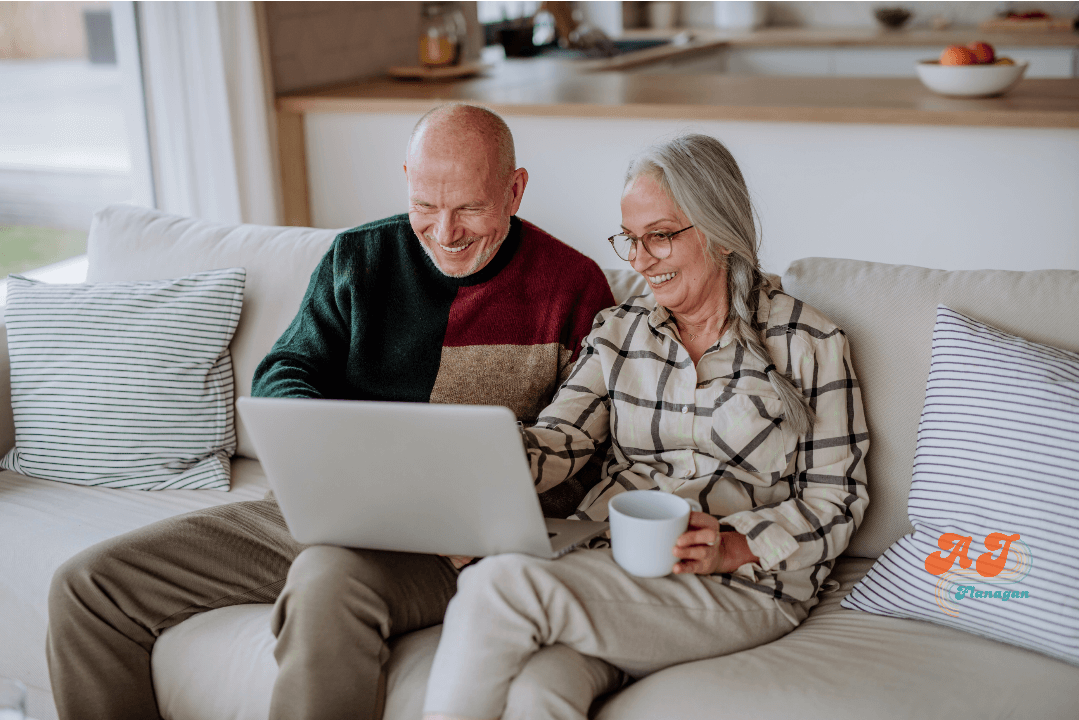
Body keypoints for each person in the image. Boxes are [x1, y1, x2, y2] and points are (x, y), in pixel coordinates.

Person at [45, 104, 616, 720]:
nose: (446, 232)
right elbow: (284, 372)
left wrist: (475, 520)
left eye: (470, 208)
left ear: (515, 189)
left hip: (458, 552)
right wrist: (325, 454)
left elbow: (583, 454)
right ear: (405, 178)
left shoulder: (575, 289)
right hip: (325, 511)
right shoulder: (359, 259)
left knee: (328, 581)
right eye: (425, 204)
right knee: (88, 586)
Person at [421, 134, 871, 720]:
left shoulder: (810, 343)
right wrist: (469, 464)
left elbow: (840, 497)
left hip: (743, 585)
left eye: (658, 236)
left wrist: (732, 547)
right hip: (617, 566)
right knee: (539, 691)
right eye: (629, 240)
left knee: (497, 588)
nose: (638, 261)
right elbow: (557, 443)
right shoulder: (620, 331)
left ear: (718, 230)